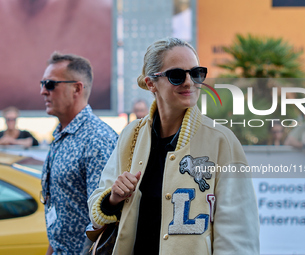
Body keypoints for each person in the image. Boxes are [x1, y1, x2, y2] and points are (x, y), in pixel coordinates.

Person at [88, 38, 259, 255]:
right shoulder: (131, 135)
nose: (189, 82)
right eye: (177, 75)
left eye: (196, 73)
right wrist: (113, 197)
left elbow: (239, 235)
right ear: (151, 83)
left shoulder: (221, 140)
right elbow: (96, 209)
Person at [40, 52, 118, 254]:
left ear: (76, 88)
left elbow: (104, 222)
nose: (42, 91)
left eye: (50, 84)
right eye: (42, 84)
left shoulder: (97, 139)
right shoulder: (61, 135)